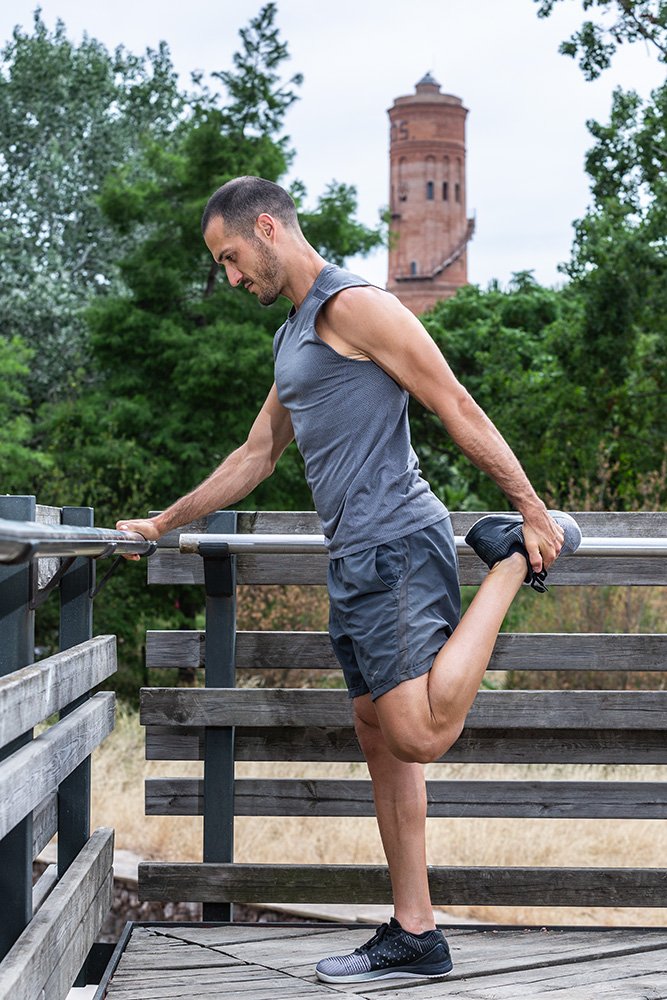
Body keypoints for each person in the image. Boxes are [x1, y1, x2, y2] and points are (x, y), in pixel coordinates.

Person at [117, 175, 581, 984]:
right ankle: (415, 932)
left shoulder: (356, 306)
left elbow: (454, 402)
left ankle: (506, 561)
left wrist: (531, 513)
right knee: (381, 743)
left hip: (398, 545)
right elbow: (257, 455)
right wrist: (163, 523)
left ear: (268, 228)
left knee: (419, 734)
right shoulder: (294, 335)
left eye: (231, 258)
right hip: (355, 560)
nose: (230, 278)